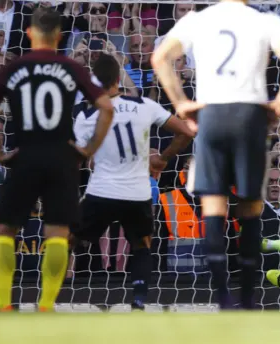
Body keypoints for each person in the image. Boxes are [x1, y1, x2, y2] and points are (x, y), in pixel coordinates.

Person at [151, 0, 280, 309]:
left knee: (213, 207)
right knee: (249, 208)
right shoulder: (265, 19)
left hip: (212, 114)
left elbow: (159, 58)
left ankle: (223, 297)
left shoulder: (198, 19)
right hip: (249, 115)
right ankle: (248, 298)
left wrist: (181, 103)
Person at [0, 7, 114, 312]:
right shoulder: (70, 67)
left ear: (29, 33)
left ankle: (2, 304)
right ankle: (46, 305)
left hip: (25, 155)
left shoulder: (15, 67)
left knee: (4, 230)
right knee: (57, 234)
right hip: (63, 159)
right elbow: (106, 107)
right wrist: (88, 149)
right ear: (60, 35)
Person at [71, 54, 194, 310]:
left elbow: (78, 159)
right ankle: (138, 301)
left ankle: (53, 290)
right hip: (137, 194)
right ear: (119, 79)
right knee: (142, 245)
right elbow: (185, 131)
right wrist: (162, 158)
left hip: (102, 191)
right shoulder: (144, 104)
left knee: (69, 237)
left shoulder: (85, 113)